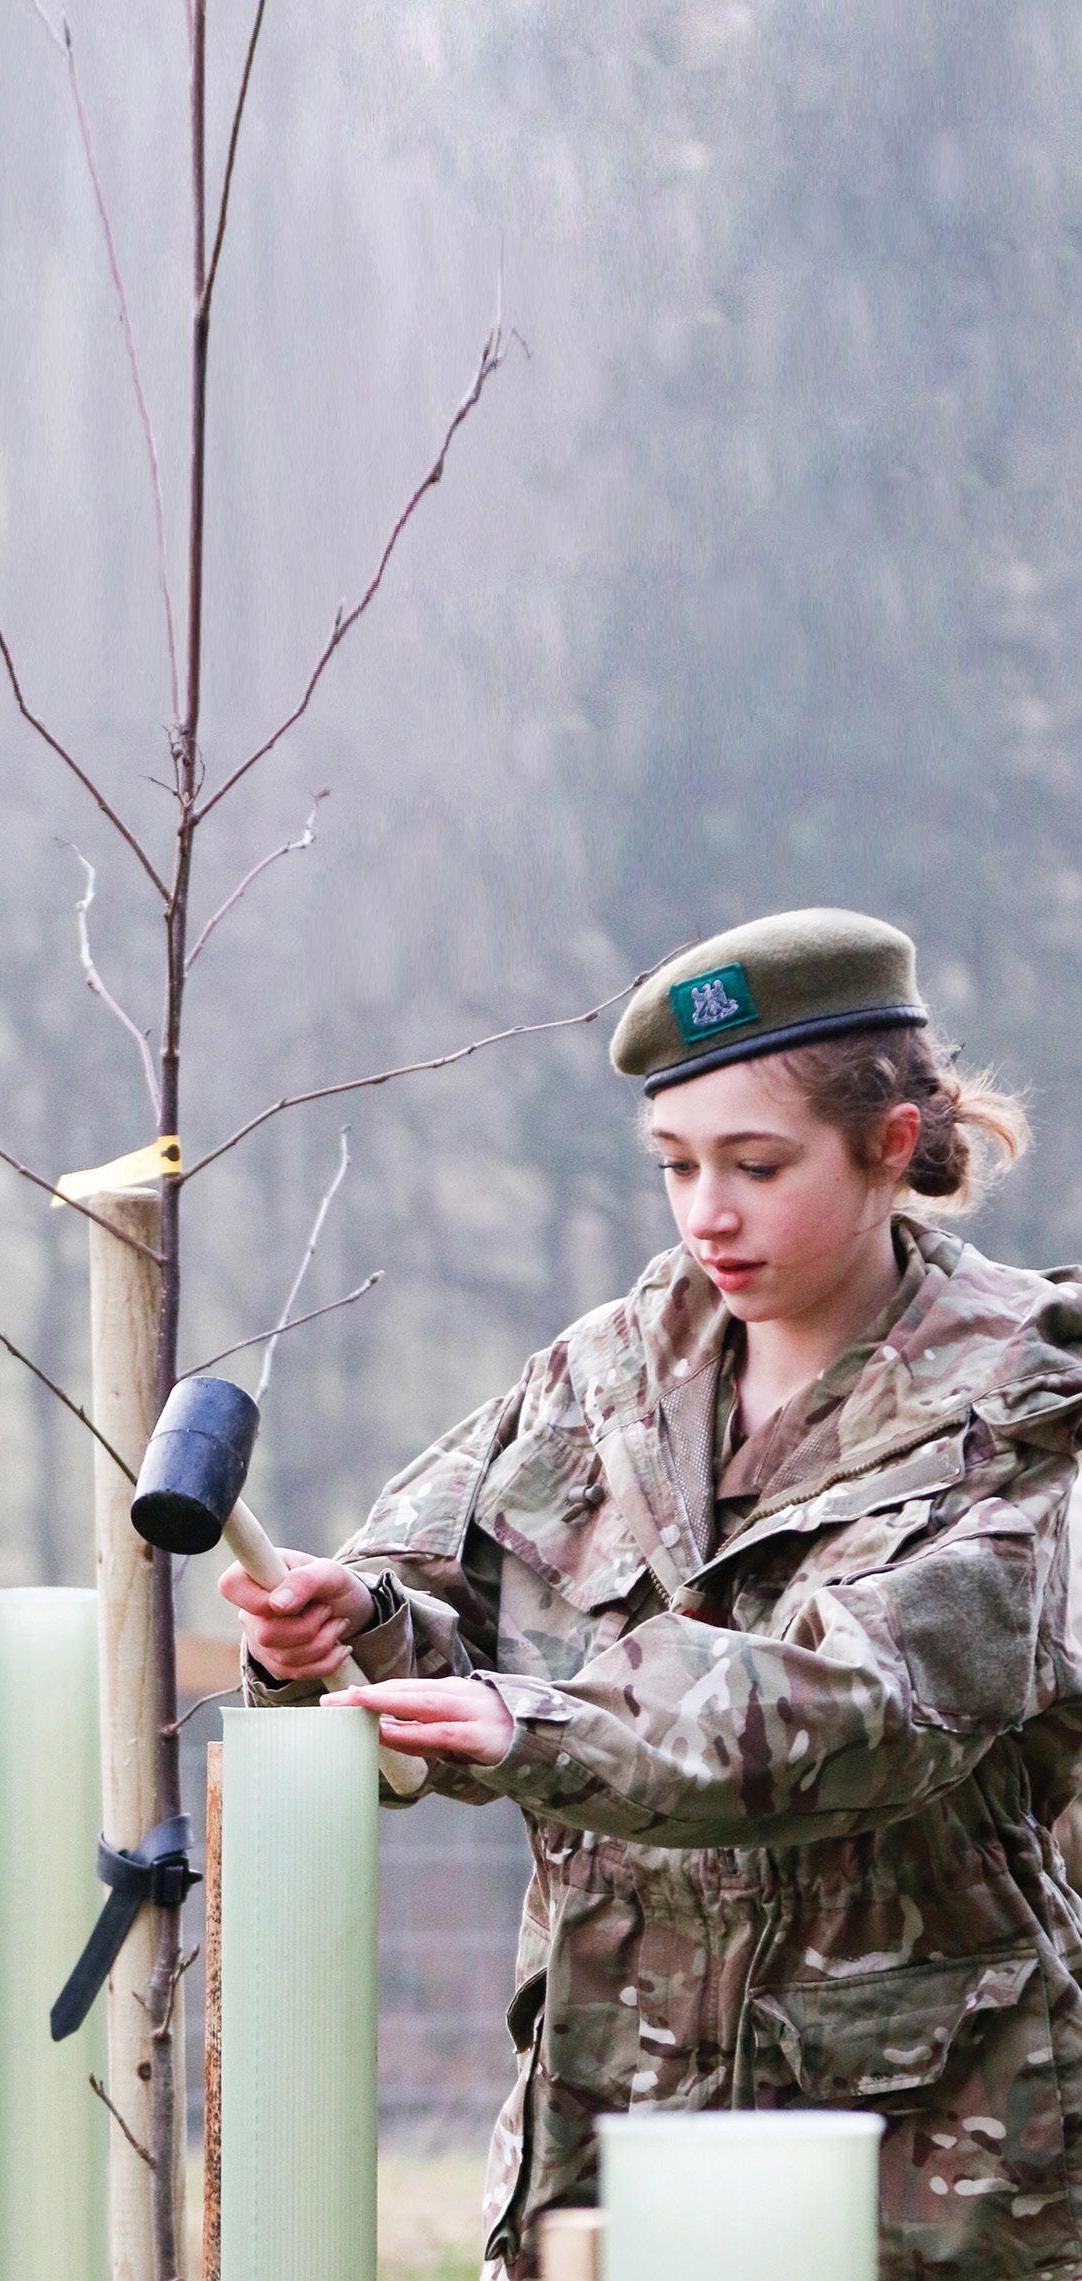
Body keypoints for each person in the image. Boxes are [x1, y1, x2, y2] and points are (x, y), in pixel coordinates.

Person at [221, 910, 1082, 2281]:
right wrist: (342, 1632)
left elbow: (859, 1704)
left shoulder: (1023, 1400)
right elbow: (433, 1625)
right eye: (674, 1165)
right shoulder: (601, 1377)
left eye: (756, 1165)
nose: (705, 1214)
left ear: (891, 1146)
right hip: (608, 2151)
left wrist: (535, 1726)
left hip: (925, 2180)